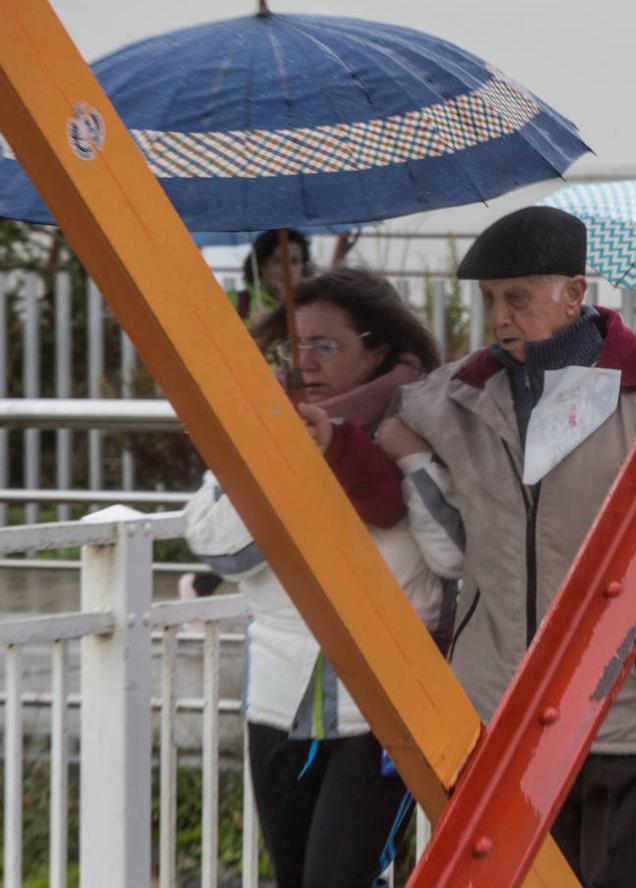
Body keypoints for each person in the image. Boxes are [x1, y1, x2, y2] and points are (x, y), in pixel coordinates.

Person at [376, 206, 636, 887]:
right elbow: (374, 410)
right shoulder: (463, 393)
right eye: (489, 298)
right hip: (501, 710)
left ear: (574, 293)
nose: (499, 316)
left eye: (517, 298)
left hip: (629, 703)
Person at [183, 268, 462, 888]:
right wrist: (287, 464)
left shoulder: (428, 417)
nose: (304, 362)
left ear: (379, 347)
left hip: (387, 705)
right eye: (294, 345)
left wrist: (408, 456)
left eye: (325, 345)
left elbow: (454, 554)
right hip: (278, 702)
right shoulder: (262, 422)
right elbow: (216, 546)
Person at [179, 228, 315, 603]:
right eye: (278, 262)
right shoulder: (236, 304)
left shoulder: (311, 308)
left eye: (296, 261)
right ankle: (211, 580)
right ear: (260, 264)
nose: (288, 270)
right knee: (257, 506)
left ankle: (206, 584)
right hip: (250, 423)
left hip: (297, 422)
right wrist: (249, 331)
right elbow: (207, 353)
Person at [230, 227, 312, 322]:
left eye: (294, 261)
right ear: (262, 266)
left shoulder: (313, 304)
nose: (287, 268)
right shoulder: (233, 302)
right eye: (278, 261)